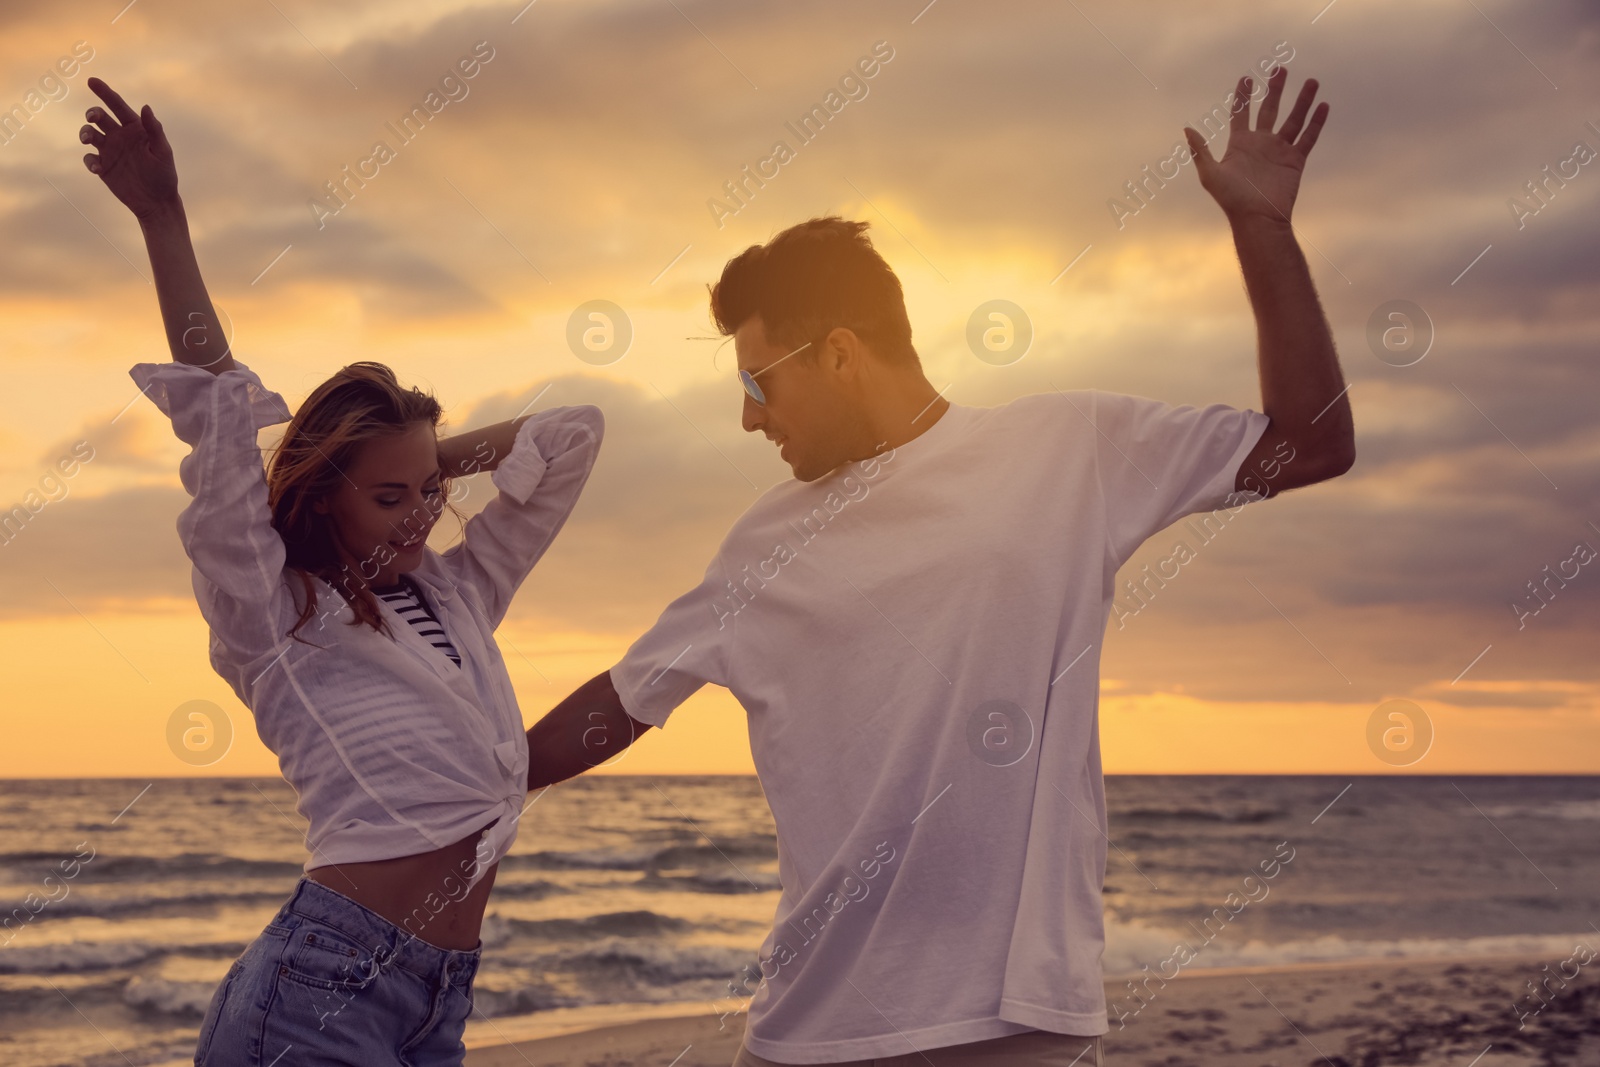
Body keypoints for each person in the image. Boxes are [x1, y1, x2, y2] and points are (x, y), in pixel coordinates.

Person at [524, 68, 1351, 1066]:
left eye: (756, 381)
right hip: (812, 1032)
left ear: (837, 354)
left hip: (1018, 1028)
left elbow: (1310, 442)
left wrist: (1261, 227)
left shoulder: (1069, 449)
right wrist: (467, 773)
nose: (746, 415)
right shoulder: (762, 541)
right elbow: (620, 702)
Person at [78, 77, 604, 1065]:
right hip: (321, 990)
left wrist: (416, 465)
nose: (420, 519)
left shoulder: (456, 592)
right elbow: (222, 425)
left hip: (437, 995)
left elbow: (573, 433)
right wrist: (164, 218)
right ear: (324, 495)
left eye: (428, 495)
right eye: (387, 498)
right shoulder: (271, 614)